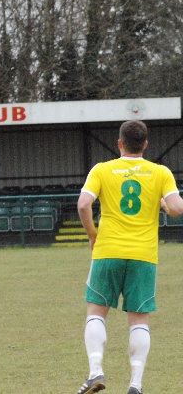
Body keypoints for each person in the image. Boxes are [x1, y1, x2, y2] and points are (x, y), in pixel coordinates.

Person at [75, 120, 183, 394]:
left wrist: (92, 234)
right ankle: (135, 384)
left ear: (119, 143)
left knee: (96, 313)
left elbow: (83, 204)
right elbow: (177, 208)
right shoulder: (160, 172)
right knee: (139, 320)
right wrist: (161, 203)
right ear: (145, 144)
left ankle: (96, 372)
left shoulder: (102, 169)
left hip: (108, 251)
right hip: (143, 256)